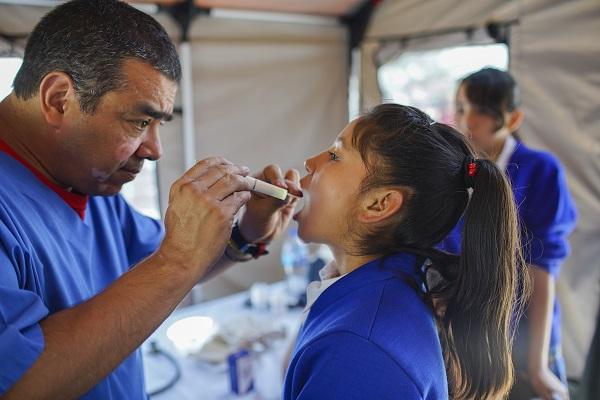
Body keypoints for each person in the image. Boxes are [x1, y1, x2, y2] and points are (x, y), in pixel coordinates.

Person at [0, 1, 300, 398]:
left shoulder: (89, 180)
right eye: (140, 122)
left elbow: (151, 269)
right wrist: (176, 260)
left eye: (159, 124)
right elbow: (18, 384)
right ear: (59, 99)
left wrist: (244, 234)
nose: (154, 149)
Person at [283, 103, 529, 399]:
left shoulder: (359, 350)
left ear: (379, 204)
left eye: (335, 156)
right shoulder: (390, 288)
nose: (310, 162)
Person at [440, 68, 577, 400]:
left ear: (512, 118)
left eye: (480, 110)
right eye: (460, 108)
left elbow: (541, 270)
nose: (465, 119)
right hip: (466, 341)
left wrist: (538, 364)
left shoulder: (541, 170)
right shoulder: (452, 172)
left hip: (525, 339)